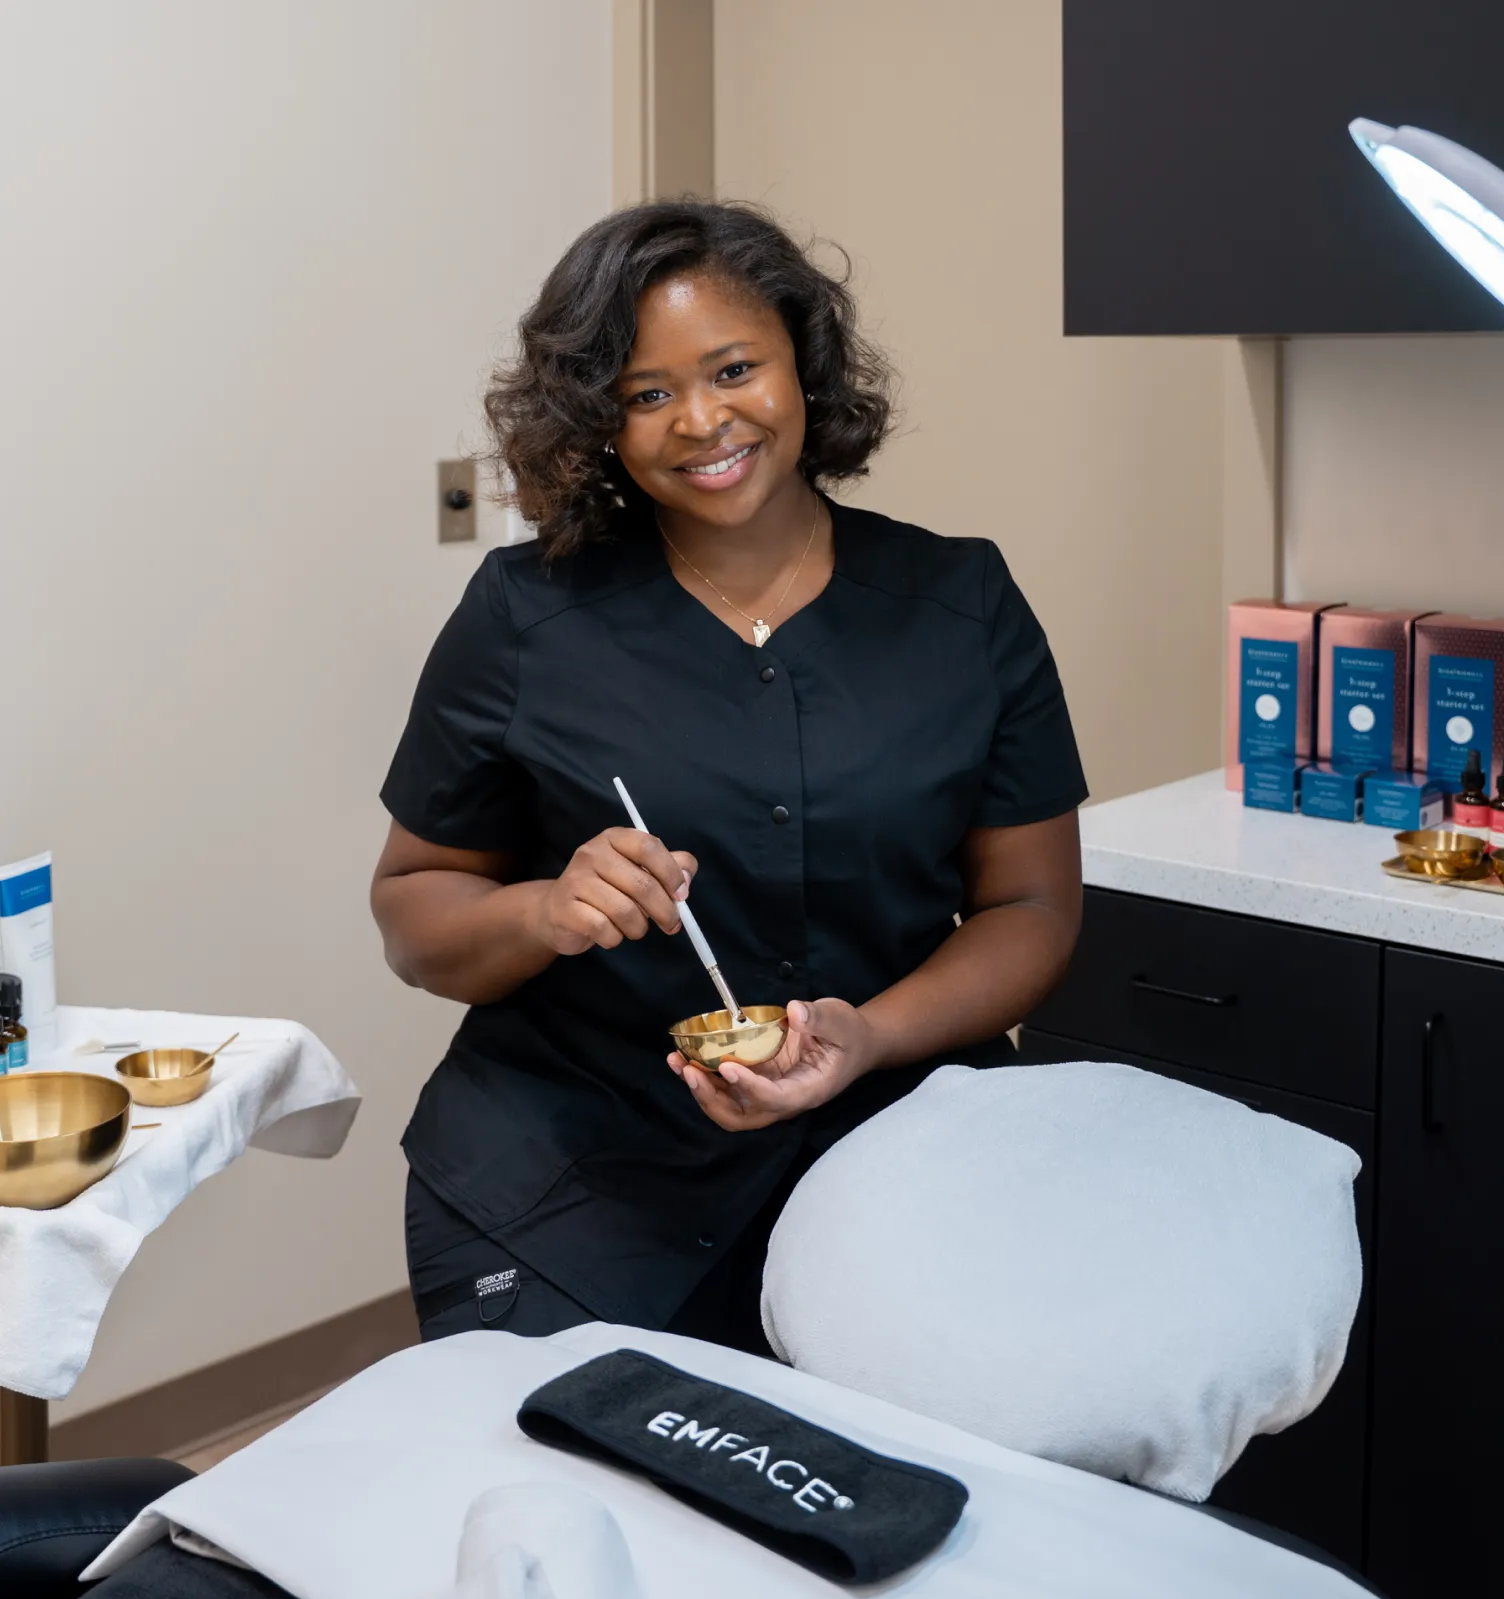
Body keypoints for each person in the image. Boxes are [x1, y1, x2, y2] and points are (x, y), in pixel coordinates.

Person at [371, 200, 1088, 1352]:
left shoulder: (960, 605)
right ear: (598, 419)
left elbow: (1032, 907)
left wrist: (871, 1034)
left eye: (733, 368)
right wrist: (544, 910)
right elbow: (414, 913)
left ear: (801, 360)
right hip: (572, 1184)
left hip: (892, 1172)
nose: (700, 421)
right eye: (645, 394)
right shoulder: (523, 616)